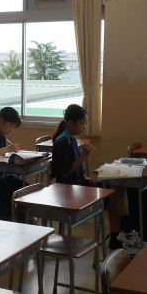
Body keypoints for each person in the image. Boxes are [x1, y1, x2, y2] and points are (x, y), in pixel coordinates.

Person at [50, 104, 133, 249]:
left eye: (85, 124)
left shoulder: (71, 139)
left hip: (78, 183)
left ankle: (117, 235)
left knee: (116, 187)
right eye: (82, 124)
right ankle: (125, 229)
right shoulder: (62, 142)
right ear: (71, 123)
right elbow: (64, 173)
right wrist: (84, 156)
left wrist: (83, 176)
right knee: (115, 189)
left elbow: (75, 167)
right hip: (69, 190)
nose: (84, 127)